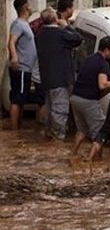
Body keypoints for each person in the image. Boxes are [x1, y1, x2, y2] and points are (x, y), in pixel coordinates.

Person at [69, 36, 110, 155]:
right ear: (106, 50)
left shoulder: (89, 59)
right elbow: (102, 85)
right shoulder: (103, 63)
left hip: (75, 98)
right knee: (100, 132)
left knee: (81, 130)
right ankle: (94, 161)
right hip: (87, 101)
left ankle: (72, 154)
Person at [36, 8, 82, 140]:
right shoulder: (59, 34)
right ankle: (58, 139)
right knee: (60, 110)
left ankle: (50, 136)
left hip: (46, 78)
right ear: (55, 18)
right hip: (60, 79)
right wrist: (67, 26)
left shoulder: (40, 34)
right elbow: (78, 39)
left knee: (50, 109)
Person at [7, 0, 37, 130]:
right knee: (17, 99)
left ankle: (18, 128)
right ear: (25, 7)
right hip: (21, 67)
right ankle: (14, 132)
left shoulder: (25, 23)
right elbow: (11, 41)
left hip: (27, 68)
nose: (31, 7)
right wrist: (14, 57)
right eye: (29, 5)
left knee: (21, 99)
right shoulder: (18, 24)